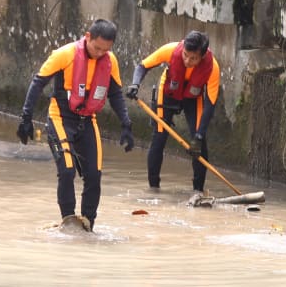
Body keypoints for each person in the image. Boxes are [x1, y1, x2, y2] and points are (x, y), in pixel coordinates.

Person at [16, 19, 135, 231]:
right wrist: (26, 118)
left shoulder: (110, 61)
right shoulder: (65, 54)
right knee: (67, 171)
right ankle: (69, 222)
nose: (100, 53)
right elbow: (38, 83)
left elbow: (116, 94)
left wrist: (126, 124)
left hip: (88, 120)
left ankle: (88, 225)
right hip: (61, 117)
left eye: (105, 50)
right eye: (97, 48)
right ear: (87, 37)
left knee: (94, 175)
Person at [125, 30, 220, 197]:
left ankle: (198, 191)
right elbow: (142, 66)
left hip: (193, 99)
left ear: (202, 56)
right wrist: (135, 84)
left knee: (199, 144)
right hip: (169, 94)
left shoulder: (212, 68)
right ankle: (154, 189)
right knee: (159, 138)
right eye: (185, 55)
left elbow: (210, 104)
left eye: (193, 58)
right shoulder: (170, 50)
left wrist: (198, 136)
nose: (187, 61)